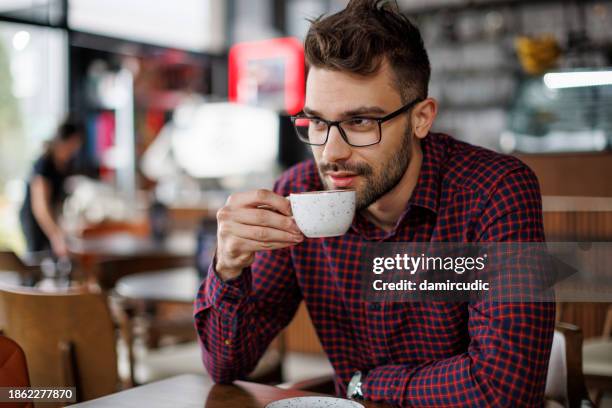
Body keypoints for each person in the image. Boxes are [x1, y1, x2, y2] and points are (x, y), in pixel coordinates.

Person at [194, 1, 555, 406]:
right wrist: (227, 270)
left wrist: (367, 385)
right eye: (317, 122)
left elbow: (505, 390)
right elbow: (227, 365)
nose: (331, 153)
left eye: (360, 122)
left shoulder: (495, 192)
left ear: (421, 118)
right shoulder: (301, 194)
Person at [20, 117, 84, 257]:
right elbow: (40, 207)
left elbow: (58, 201)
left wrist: (61, 229)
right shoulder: (44, 164)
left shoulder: (66, 164)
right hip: (35, 219)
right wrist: (55, 235)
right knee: (38, 258)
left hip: (50, 215)